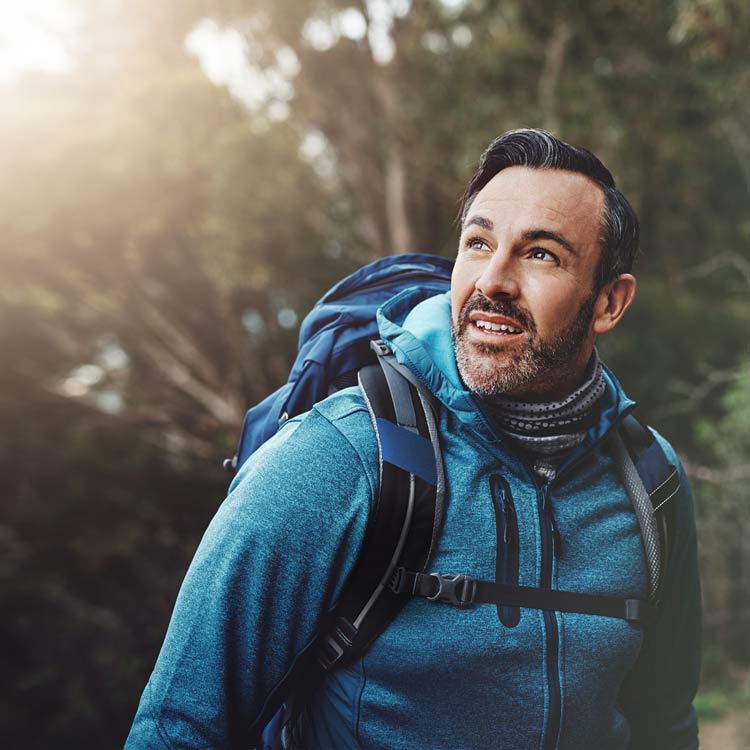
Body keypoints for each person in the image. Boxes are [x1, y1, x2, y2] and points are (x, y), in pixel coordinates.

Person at [125, 129, 701, 749]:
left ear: (609, 302)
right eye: (478, 244)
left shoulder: (650, 483)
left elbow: (665, 724)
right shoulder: (339, 457)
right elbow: (178, 729)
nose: (495, 281)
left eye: (541, 255)